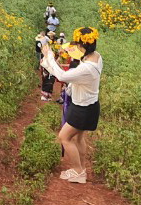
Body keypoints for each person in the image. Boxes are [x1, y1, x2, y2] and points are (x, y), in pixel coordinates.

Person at [40, 27, 102, 184]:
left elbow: (62, 76)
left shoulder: (87, 68)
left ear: (83, 45)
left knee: (64, 137)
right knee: (79, 138)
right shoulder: (95, 56)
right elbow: (72, 71)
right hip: (89, 105)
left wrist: (49, 57)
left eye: (77, 44)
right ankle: (82, 169)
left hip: (82, 108)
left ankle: (78, 171)